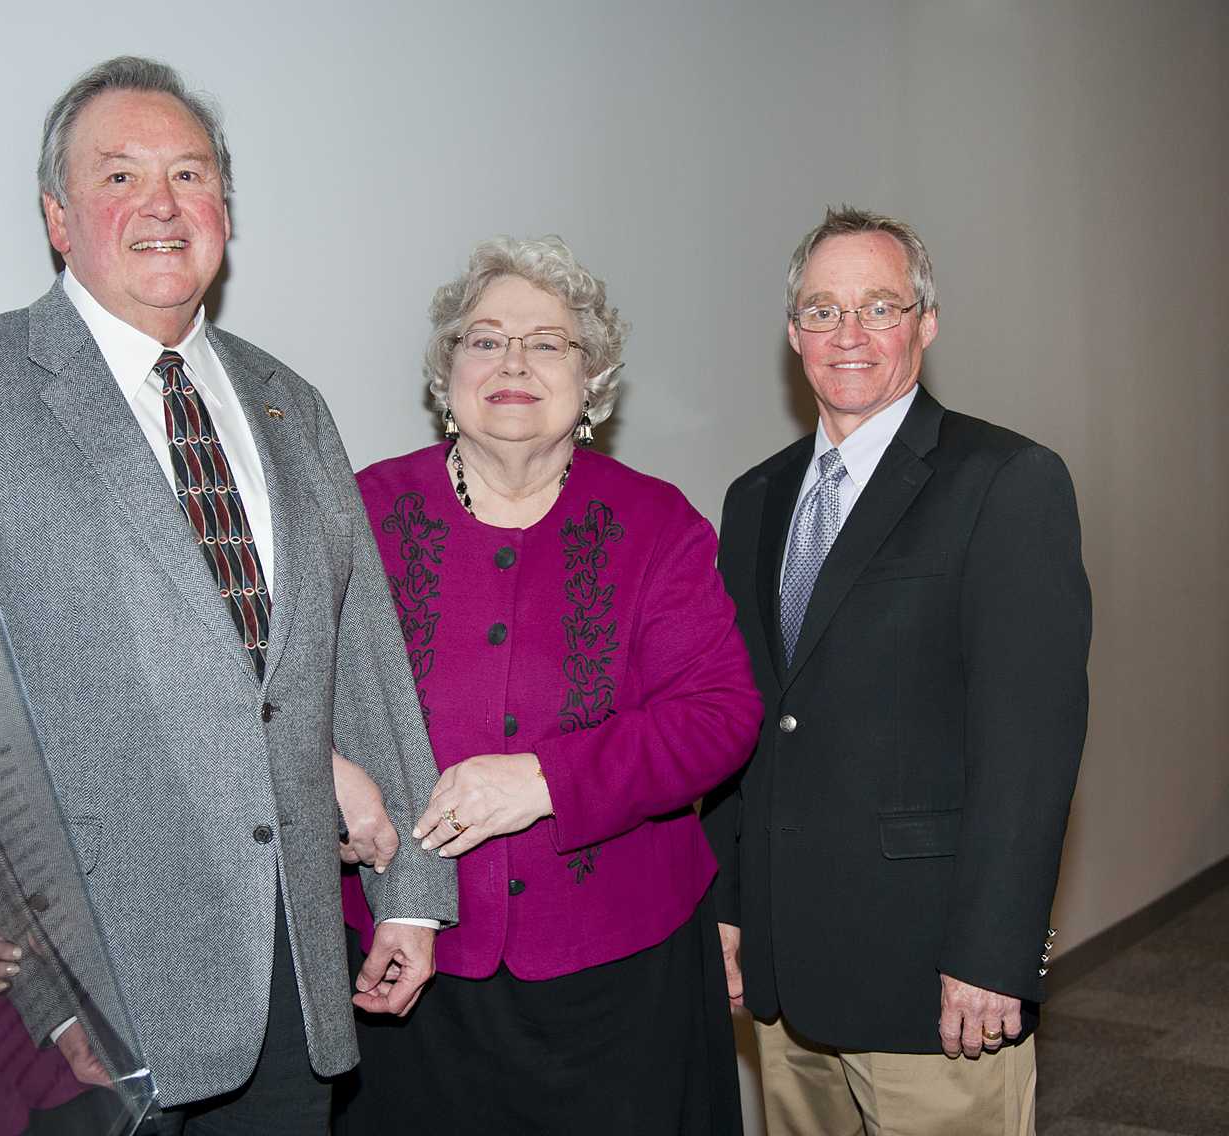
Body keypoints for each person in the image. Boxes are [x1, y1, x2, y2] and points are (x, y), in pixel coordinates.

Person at [0, 55, 457, 1133]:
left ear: (225, 208)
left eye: (189, 175)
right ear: (57, 215)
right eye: (119, 176)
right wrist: (41, 989)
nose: (161, 205)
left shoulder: (290, 403)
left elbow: (355, 647)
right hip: (83, 981)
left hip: (288, 966)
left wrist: (411, 886)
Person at [332, 235, 762, 1134]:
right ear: (446, 372)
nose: (512, 363)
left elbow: (719, 714)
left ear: (592, 378)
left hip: (621, 980)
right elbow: (287, 695)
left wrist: (544, 780)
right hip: (406, 959)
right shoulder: (359, 512)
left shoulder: (657, 522)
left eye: (548, 342)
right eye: (483, 340)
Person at [701, 206, 1090, 1134]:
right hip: (787, 970)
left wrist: (997, 953)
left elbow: (1029, 746)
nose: (852, 334)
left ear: (926, 321)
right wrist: (725, 900)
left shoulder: (1006, 481)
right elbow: (743, 716)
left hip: (936, 978)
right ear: (794, 332)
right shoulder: (754, 498)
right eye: (824, 311)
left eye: (881, 306)